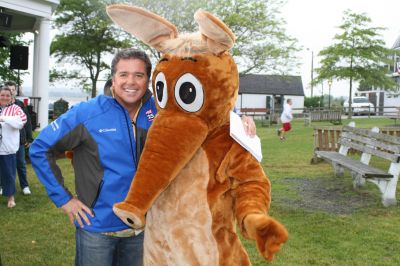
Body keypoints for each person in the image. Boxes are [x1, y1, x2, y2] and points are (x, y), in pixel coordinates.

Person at [29, 48, 256, 265]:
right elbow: (39, 149)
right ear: (113, 79)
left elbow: (205, 111)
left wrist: (238, 118)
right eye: (123, 74)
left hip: (145, 229)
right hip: (97, 228)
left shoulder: (162, 110)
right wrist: (65, 200)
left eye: (138, 75)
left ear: (148, 80)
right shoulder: (87, 113)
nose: (130, 82)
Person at [0, 86, 27, 208]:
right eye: (2, 95)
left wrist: (3, 118)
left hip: (7, 147)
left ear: (11, 97)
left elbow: (21, 122)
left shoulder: (16, 108)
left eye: (7, 95)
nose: (5, 97)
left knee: (9, 173)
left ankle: (10, 197)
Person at [5, 80, 34, 195]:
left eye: (13, 90)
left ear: (16, 91)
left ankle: (24, 186)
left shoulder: (20, 105)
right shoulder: (2, 104)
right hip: (4, 141)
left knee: (21, 164)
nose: (11, 92)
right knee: (4, 164)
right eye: (9, 90)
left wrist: (29, 138)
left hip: (19, 141)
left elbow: (27, 123)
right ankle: (3, 185)